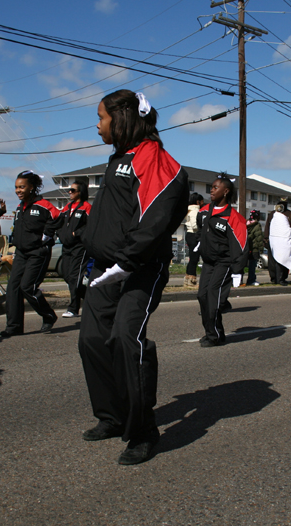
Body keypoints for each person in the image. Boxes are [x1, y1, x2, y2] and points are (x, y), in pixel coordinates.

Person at [78, 90, 189, 466]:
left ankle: (143, 431)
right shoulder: (117, 158)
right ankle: (112, 417)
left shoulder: (153, 158)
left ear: (121, 117)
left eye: (101, 118)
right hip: (103, 268)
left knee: (127, 337)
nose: (97, 125)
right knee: (93, 340)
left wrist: (127, 260)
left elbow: (159, 215)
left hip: (139, 268)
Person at [0, 171, 60, 337]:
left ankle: (48, 315)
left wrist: (45, 236)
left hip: (38, 252)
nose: (18, 190)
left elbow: (58, 218)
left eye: (22, 187)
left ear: (31, 187)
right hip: (21, 252)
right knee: (13, 288)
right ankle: (14, 327)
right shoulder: (20, 207)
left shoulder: (44, 205)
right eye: (16, 187)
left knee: (27, 287)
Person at [197, 174, 248, 347]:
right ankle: (214, 329)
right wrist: (198, 243)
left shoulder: (234, 217)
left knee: (212, 296)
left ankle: (214, 336)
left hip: (224, 262)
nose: (211, 190)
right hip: (208, 262)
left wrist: (237, 270)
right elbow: (200, 229)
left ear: (225, 191)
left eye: (215, 187)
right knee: (202, 296)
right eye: (211, 187)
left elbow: (240, 244)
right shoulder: (204, 211)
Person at [58, 178, 91, 318]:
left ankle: (73, 308)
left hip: (80, 247)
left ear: (80, 192)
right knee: (66, 275)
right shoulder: (67, 207)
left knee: (74, 276)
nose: (69, 192)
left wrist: (76, 233)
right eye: (69, 190)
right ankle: (90, 297)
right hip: (66, 246)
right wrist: (60, 233)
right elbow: (58, 221)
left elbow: (91, 226)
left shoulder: (87, 207)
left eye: (72, 190)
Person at [264, 200, 291, 286]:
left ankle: (282, 278)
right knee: (272, 262)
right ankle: (274, 278)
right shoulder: (272, 214)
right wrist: (266, 239)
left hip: (285, 242)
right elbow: (267, 227)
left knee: (283, 260)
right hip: (273, 241)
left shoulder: (290, 214)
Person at [184, 193, 204, 288]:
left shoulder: (188, 210)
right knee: (194, 258)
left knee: (192, 258)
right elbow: (195, 225)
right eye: (202, 201)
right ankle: (192, 280)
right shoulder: (195, 210)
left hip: (189, 234)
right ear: (198, 201)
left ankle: (188, 278)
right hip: (194, 234)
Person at [244, 210, 264, 286]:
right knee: (252, 266)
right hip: (254, 249)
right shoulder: (257, 225)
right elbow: (259, 238)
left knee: (243, 265)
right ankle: (251, 280)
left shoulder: (245, 223)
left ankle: (238, 280)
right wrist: (261, 249)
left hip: (245, 248)